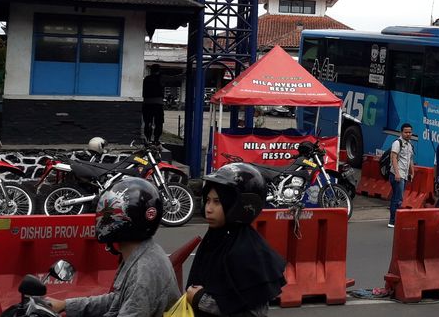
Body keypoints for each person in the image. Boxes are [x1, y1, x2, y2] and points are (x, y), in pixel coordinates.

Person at [45, 178, 180, 317]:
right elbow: (116, 301)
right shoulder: (142, 253)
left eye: (106, 214)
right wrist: (65, 305)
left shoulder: (144, 271)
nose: (100, 219)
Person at [187, 163, 286, 316]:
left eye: (217, 201)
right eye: (208, 200)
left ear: (238, 204)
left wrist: (201, 300)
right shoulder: (214, 239)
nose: (208, 209)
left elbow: (253, 312)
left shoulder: (248, 252)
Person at [388, 123, 415, 228]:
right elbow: (393, 158)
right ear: (401, 132)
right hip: (397, 174)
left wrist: (412, 172)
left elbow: (410, 160)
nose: (408, 134)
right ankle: (392, 221)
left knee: (397, 197)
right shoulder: (397, 143)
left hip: (404, 175)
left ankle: (395, 220)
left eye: (410, 132)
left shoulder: (409, 145)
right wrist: (397, 173)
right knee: (398, 199)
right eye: (406, 132)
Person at [142, 64, 165, 144]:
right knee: (159, 122)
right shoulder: (161, 78)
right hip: (158, 103)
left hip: (147, 103)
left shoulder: (146, 79)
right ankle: (156, 139)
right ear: (159, 70)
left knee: (148, 122)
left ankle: (148, 139)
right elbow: (174, 78)